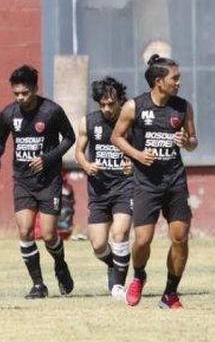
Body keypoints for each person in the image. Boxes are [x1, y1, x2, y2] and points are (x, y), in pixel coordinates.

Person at [111, 55, 197, 309]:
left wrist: (187, 142)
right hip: (146, 184)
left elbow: (193, 142)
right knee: (142, 240)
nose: (179, 82)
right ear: (159, 81)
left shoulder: (183, 107)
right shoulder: (134, 106)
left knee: (180, 237)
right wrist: (137, 155)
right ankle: (138, 276)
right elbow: (117, 137)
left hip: (175, 182)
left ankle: (170, 293)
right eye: (175, 78)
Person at [0, 65, 75, 299]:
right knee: (25, 230)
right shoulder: (8, 114)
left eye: (25, 93)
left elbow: (70, 138)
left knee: (48, 236)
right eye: (16, 93)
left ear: (35, 89)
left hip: (49, 181)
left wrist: (47, 159)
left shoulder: (52, 111)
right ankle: (38, 285)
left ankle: (60, 264)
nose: (21, 98)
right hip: (23, 181)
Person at [74, 76, 133, 300]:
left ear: (120, 100)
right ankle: (114, 265)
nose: (107, 108)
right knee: (98, 245)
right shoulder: (88, 122)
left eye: (111, 103)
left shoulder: (131, 121)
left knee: (119, 234)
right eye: (102, 104)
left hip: (124, 187)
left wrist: (133, 165)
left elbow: (146, 151)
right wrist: (87, 165)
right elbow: (79, 151)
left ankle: (118, 287)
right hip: (98, 191)